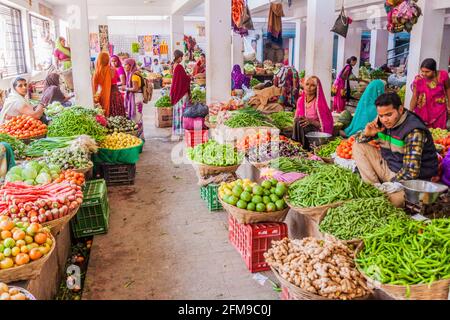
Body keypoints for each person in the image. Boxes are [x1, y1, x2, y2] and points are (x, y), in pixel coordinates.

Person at [353, 93, 438, 206]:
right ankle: (373, 187)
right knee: (358, 146)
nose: (384, 120)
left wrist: (390, 184)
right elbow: (358, 139)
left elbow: (410, 172)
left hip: (410, 181)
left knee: (387, 203)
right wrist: (367, 134)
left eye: (389, 114)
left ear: (400, 109)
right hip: (389, 168)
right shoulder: (381, 122)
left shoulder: (413, 130)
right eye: (381, 115)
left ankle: (379, 191)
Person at [293, 76, 334, 150]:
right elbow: (296, 118)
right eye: (307, 84)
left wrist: (311, 121)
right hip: (301, 129)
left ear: (317, 88)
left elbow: (325, 125)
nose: (309, 87)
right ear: (304, 85)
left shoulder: (319, 104)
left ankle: (305, 149)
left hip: (315, 133)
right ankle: (297, 146)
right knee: (298, 121)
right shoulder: (300, 100)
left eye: (313, 85)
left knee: (301, 123)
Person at [410, 58, 450, 129]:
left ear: (434, 70)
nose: (424, 74)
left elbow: (448, 89)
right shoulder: (418, 80)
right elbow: (415, 96)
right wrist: (410, 112)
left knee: (439, 132)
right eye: (422, 71)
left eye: (427, 71)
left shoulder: (443, 75)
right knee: (423, 131)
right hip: (423, 111)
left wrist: (449, 105)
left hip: (439, 110)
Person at [170, 50, 191, 141]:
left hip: (176, 92)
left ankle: (177, 131)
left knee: (177, 112)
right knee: (182, 112)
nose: (182, 59)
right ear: (178, 57)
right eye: (181, 57)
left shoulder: (173, 66)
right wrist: (189, 77)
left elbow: (178, 80)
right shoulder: (179, 67)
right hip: (181, 93)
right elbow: (183, 80)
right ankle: (181, 131)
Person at [124, 58, 145, 139]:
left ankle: (139, 138)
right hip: (137, 97)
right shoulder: (134, 73)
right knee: (137, 119)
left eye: (126, 64)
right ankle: (139, 137)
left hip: (136, 97)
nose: (125, 66)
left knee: (137, 119)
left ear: (131, 65)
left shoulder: (134, 76)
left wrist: (125, 88)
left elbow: (135, 89)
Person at [92, 52, 114, 117]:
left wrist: (94, 95)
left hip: (101, 94)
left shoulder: (97, 71)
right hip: (111, 93)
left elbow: (94, 87)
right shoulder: (111, 69)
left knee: (101, 111)